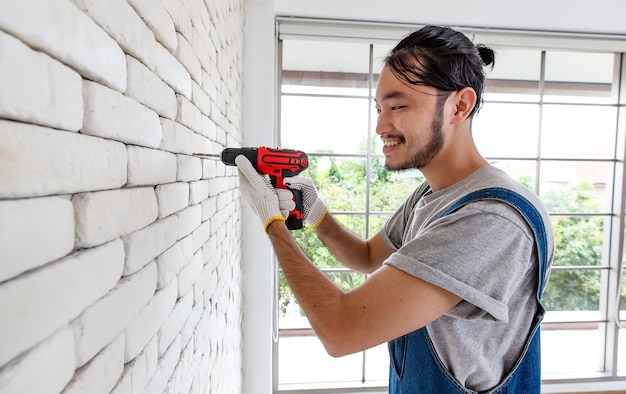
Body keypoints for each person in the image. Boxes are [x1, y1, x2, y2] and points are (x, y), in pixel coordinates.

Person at [236, 25, 554, 393]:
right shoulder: (431, 195)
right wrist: (316, 212)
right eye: (379, 108)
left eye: (398, 105)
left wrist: (272, 222)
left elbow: (340, 330)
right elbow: (367, 257)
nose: (380, 125)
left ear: (459, 105)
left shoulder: (489, 219)